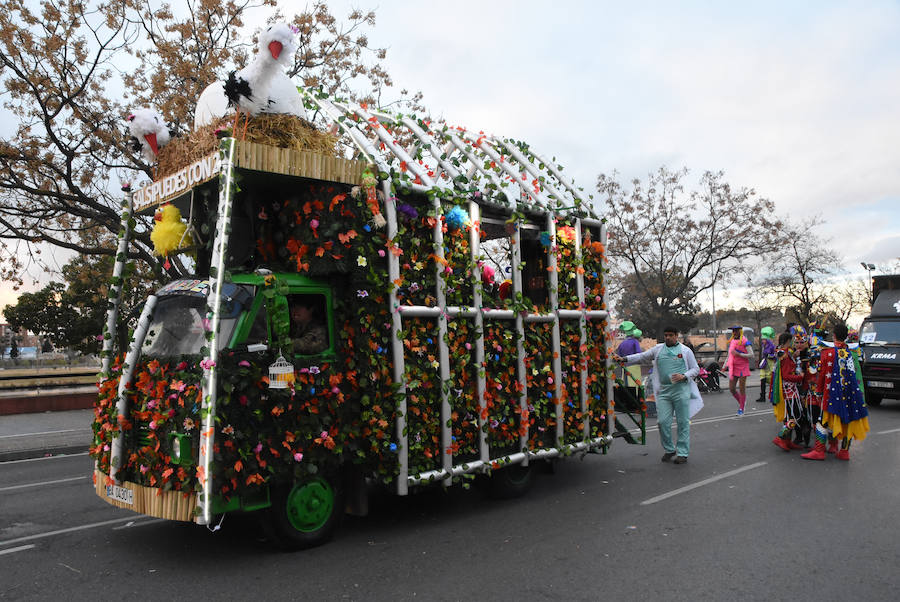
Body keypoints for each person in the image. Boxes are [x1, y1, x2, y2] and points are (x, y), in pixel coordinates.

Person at [613, 325, 702, 464]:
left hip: (681, 391)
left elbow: (696, 369)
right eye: (666, 335)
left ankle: (683, 453)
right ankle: (669, 449)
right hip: (664, 392)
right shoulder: (658, 349)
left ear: (676, 336)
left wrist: (684, 375)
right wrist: (624, 359)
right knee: (662, 422)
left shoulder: (685, 351)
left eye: (670, 335)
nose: (667, 337)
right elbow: (641, 357)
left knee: (682, 422)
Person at [802, 323, 869, 461]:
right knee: (847, 420)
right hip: (849, 393)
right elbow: (854, 373)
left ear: (833, 336)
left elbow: (822, 375)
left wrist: (819, 391)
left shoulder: (828, 353)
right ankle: (844, 451)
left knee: (823, 421)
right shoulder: (849, 353)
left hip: (831, 393)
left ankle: (819, 450)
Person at [725, 326, 753, 415]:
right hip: (733, 367)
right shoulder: (732, 341)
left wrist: (739, 354)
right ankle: (742, 402)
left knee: (741, 388)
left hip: (743, 367)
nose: (734, 332)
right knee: (732, 388)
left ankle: (741, 408)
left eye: (736, 331)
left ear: (740, 331)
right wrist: (725, 365)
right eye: (733, 331)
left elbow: (751, 355)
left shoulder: (745, 341)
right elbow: (730, 355)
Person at [757, 326, 777, 403]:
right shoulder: (763, 346)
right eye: (762, 339)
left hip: (770, 365)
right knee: (762, 379)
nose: (763, 340)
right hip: (764, 365)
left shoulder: (772, 346)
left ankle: (773, 395)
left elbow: (775, 355)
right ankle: (762, 396)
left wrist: (769, 356)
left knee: (772, 381)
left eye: (764, 339)